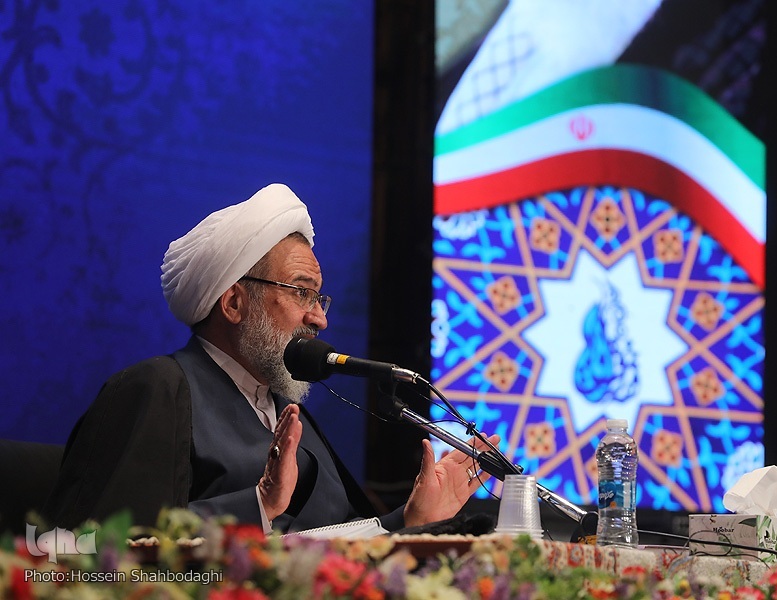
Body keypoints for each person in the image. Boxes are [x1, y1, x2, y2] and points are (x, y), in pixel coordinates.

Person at [44, 183, 495, 533]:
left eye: (320, 298)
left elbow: (336, 541)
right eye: (301, 292)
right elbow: (95, 549)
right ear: (233, 303)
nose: (319, 318)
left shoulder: (288, 411)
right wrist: (257, 505)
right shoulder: (159, 388)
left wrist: (412, 520)